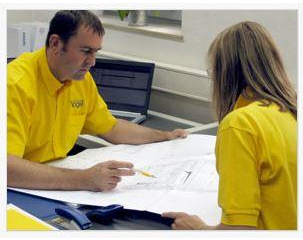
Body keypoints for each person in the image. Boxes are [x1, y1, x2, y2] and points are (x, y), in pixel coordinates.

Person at [7, 10, 187, 192]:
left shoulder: (80, 80)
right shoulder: (15, 85)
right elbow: (7, 167)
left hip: (53, 182)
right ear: (55, 44)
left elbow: (113, 128)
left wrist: (164, 136)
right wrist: (84, 179)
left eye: (95, 52)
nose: (92, 62)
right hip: (16, 189)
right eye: (86, 51)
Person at [162, 21, 297, 230]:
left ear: (225, 74)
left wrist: (199, 228)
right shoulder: (291, 110)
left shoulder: (240, 125)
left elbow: (240, 231)